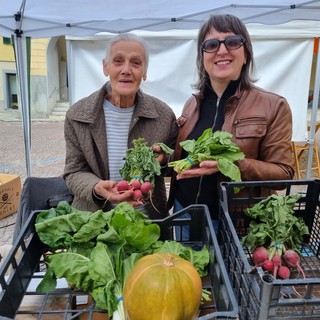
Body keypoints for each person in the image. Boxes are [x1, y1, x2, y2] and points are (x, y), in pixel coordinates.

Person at [167, 14, 295, 225]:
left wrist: (229, 164)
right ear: (202, 57)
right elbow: (185, 160)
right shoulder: (192, 104)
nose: (222, 50)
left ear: (246, 55)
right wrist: (165, 159)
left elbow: (283, 174)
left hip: (234, 222)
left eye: (233, 42)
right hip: (185, 213)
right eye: (212, 44)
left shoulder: (274, 105)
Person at [63, 33, 178, 219]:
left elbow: (173, 166)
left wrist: (164, 160)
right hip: (94, 221)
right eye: (118, 61)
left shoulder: (163, 115)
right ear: (105, 67)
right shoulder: (77, 115)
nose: (126, 70)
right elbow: (73, 171)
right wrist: (96, 187)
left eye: (136, 63)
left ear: (145, 71)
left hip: (147, 224)